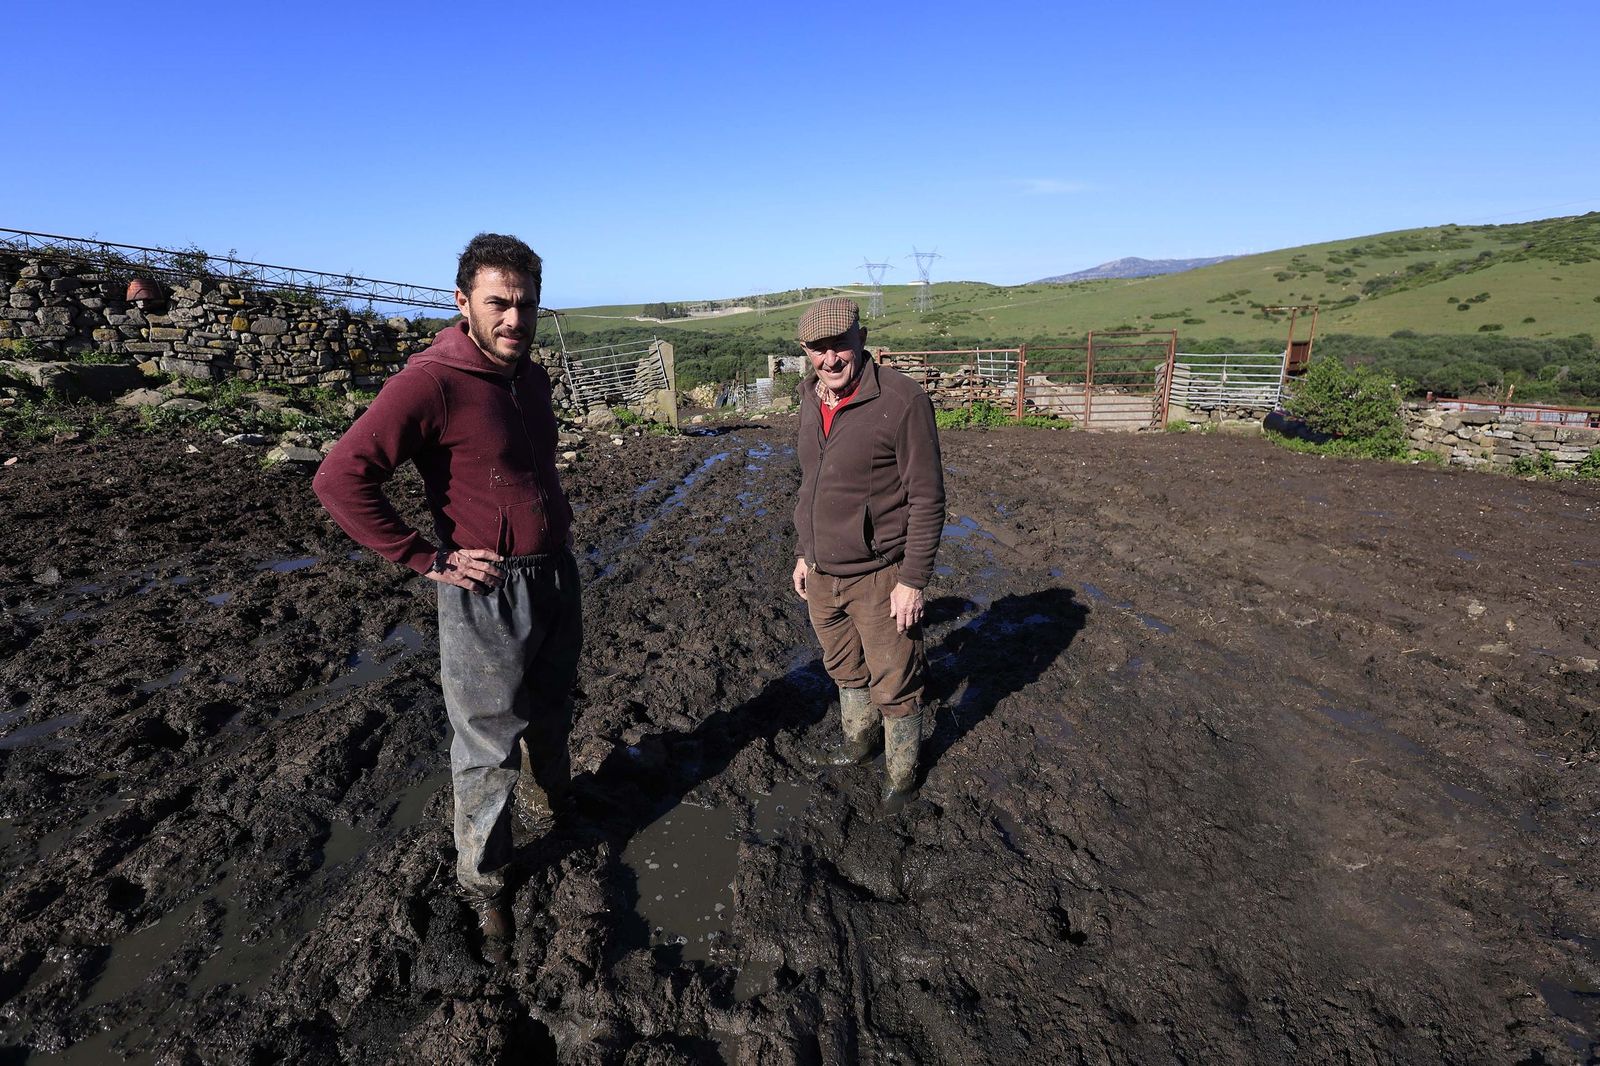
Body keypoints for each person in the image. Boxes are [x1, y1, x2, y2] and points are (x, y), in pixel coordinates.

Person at [313, 233, 580, 959]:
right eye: (499, 303)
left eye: (526, 303)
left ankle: (554, 806)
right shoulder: (431, 380)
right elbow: (340, 479)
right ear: (462, 302)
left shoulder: (530, 377)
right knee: (488, 744)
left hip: (555, 574)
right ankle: (486, 884)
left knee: (553, 709)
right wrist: (424, 557)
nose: (515, 319)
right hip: (485, 588)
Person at [791, 297, 945, 815]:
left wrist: (913, 579)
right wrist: (803, 553)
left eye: (839, 346)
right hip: (820, 572)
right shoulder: (810, 397)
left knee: (896, 679)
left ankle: (902, 777)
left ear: (862, 340)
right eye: (818, 349)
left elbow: (926, 496)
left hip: (881, 576)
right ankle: (859, 744)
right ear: (806, 352)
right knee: (843, 668)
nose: (829, 360)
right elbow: (812, 483)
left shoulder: (901, 401)